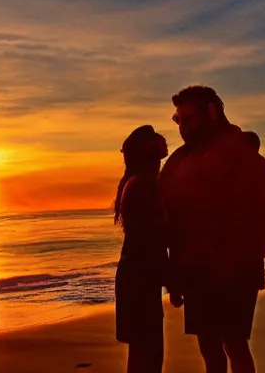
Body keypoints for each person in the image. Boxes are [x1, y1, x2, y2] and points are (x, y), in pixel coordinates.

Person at [159, 86, 265, 373]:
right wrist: (174, 276)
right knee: (210, 350)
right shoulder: (179, 162)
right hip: (196, 272)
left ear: (211, 112)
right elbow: (168, 221)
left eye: (188, 120)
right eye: (179, 121)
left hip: (237, 271)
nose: (182, 128)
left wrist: (256, 250)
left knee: (234, 344)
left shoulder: (243, 155)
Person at [114, 125, 170, 373]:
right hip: (139, 278)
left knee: (145, 351)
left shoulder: (140, 182)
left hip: (138, 277)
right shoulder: (141, 186)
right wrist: (172, 278)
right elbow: (152, 238)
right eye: (157, 151)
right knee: (147, 352)